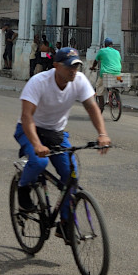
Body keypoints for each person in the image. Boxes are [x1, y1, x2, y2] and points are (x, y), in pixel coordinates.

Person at [13, 47, 111, 231]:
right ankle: (23, 187)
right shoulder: (39, 82)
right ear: (56, 66)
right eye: (69, 67)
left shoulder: (79, 81)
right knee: (39, 163)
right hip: (30, 129)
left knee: (71, 175)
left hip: (56, 133)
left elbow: (92, 108)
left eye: (76, 67)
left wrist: (102, 133)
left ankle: (65, 223)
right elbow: (27, 117)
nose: (73, 71)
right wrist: (36, 144)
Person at [89, 38, 122, 111]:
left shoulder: (102, 51)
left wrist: (92, 67)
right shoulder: (117, 52)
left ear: (105, 45)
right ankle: (113, 94)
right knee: (112, 83)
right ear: (112, 45)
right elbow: (119, 61)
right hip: (117, 73)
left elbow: (96, 61)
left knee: (99, 87)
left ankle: (101, 107)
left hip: (106, 73)